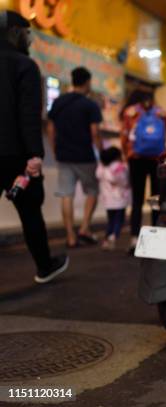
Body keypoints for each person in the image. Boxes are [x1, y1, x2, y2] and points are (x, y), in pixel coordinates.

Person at [0, 9, 68, 283]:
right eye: (26, 34)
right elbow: (28, 115)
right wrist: (35, 155)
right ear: (14, 33)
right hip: (15, 156)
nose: (28, 40)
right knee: (30, 214)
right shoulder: (24, 65)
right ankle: (45, 265)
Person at [48, 66, 103, 248]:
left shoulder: (58, 102)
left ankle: (70, 236)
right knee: (92, 191)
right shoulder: (90, 105)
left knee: (66, 195)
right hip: (85, 156)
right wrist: (101, 153)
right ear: (87, 82)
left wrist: (54, 149)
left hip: (64, 155)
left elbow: (50, 128)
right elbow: (94, 132)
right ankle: (85, 228)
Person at [120, 90, 166, 253]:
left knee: (137, 200)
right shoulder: (161, 112)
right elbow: (164, 135)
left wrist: (126, 154)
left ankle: (134, 239)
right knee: (156, 199)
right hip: (156, 159)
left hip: (136, 159)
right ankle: (156, 237)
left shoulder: (130, 112)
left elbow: (124, 136)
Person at [96, 147, 131, 250]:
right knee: (119, 221)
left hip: (107, 201)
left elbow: (97, 175)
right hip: (120, 199)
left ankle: (107, 239)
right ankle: (113, 236)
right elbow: (123, 181)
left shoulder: (101, 167)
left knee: (110, 221)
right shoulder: (119, 167)